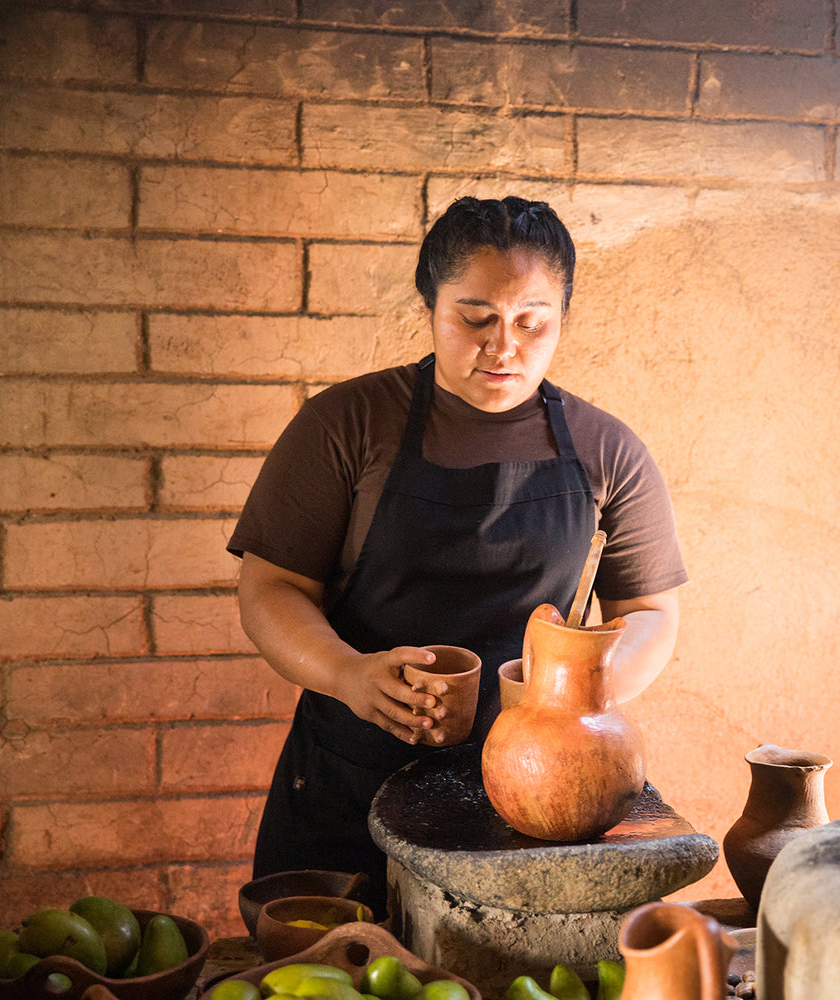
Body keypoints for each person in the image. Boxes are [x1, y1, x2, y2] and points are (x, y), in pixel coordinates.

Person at [228, 196, 687, 912]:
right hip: (350, 779)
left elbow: (652, 612)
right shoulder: (347, 424)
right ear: (430, 308)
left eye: (533, 323)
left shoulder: (608, 451)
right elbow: (271, 588)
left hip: (538, 793)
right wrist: (351, 676)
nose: (504, 347)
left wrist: (574, 702)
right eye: (476, 318)